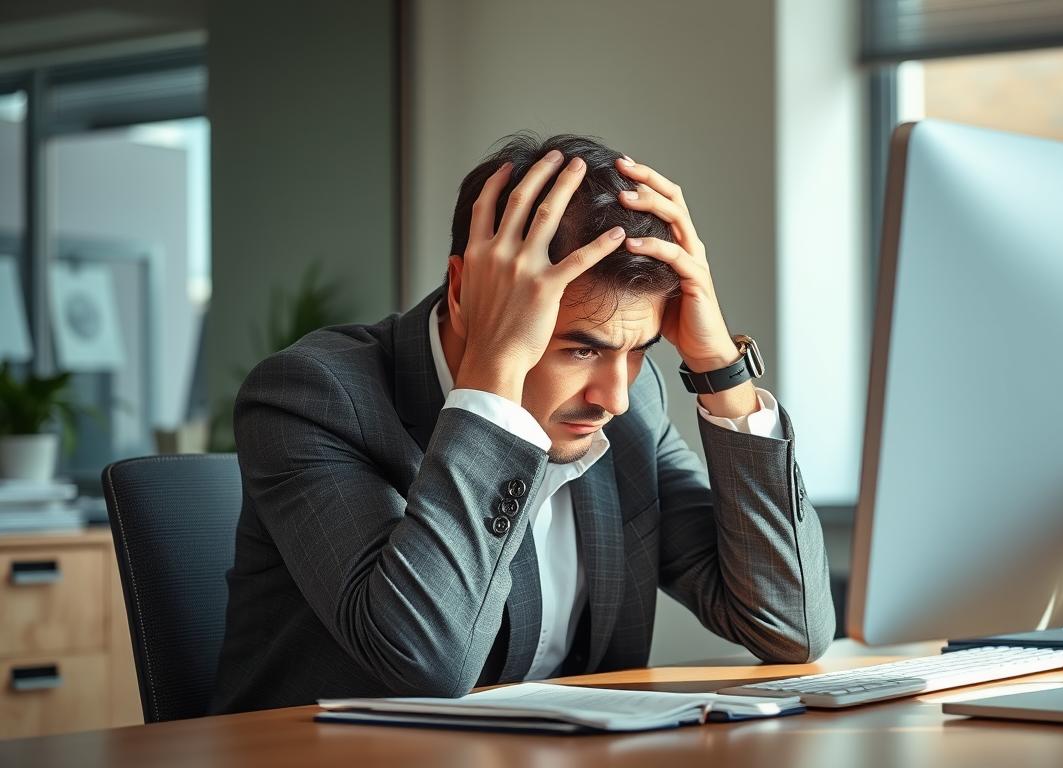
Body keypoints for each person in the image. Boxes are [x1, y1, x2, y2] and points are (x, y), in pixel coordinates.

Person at [210, 133, 833, 713]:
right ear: (467, 293)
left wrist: (719, 369)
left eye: (640, 349)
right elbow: (428, 665)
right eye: (580, 349)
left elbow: (789, 627)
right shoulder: (315, 397)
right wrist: (497, 367)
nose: (615, 395)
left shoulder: (632, 405)